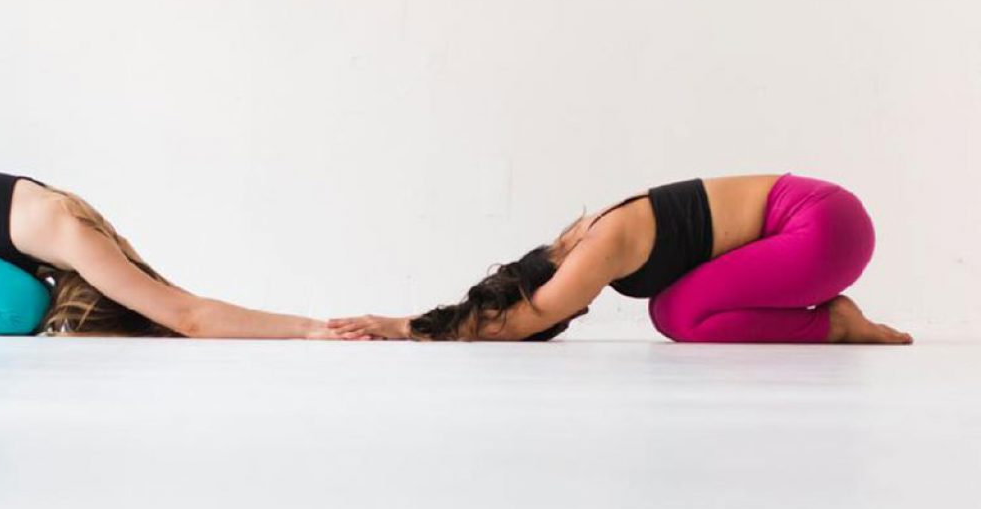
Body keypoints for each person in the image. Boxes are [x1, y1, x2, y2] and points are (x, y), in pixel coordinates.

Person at [329, 174, 912, 344]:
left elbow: (518, 319)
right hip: (828, 217)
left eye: (564, 308)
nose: (573, 312)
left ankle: (834, 324)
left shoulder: (594, 249)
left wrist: (405, 326)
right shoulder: (583, 235)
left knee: (676, 315)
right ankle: (834, 322)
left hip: (822, 230)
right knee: (673, 309)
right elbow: (526, 305)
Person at [0, 167, 339, 338]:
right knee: (21, 306)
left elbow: (172, 300)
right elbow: (184, 314)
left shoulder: (73, 225)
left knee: (18, 297)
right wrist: (308, 327)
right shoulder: (73, 238)